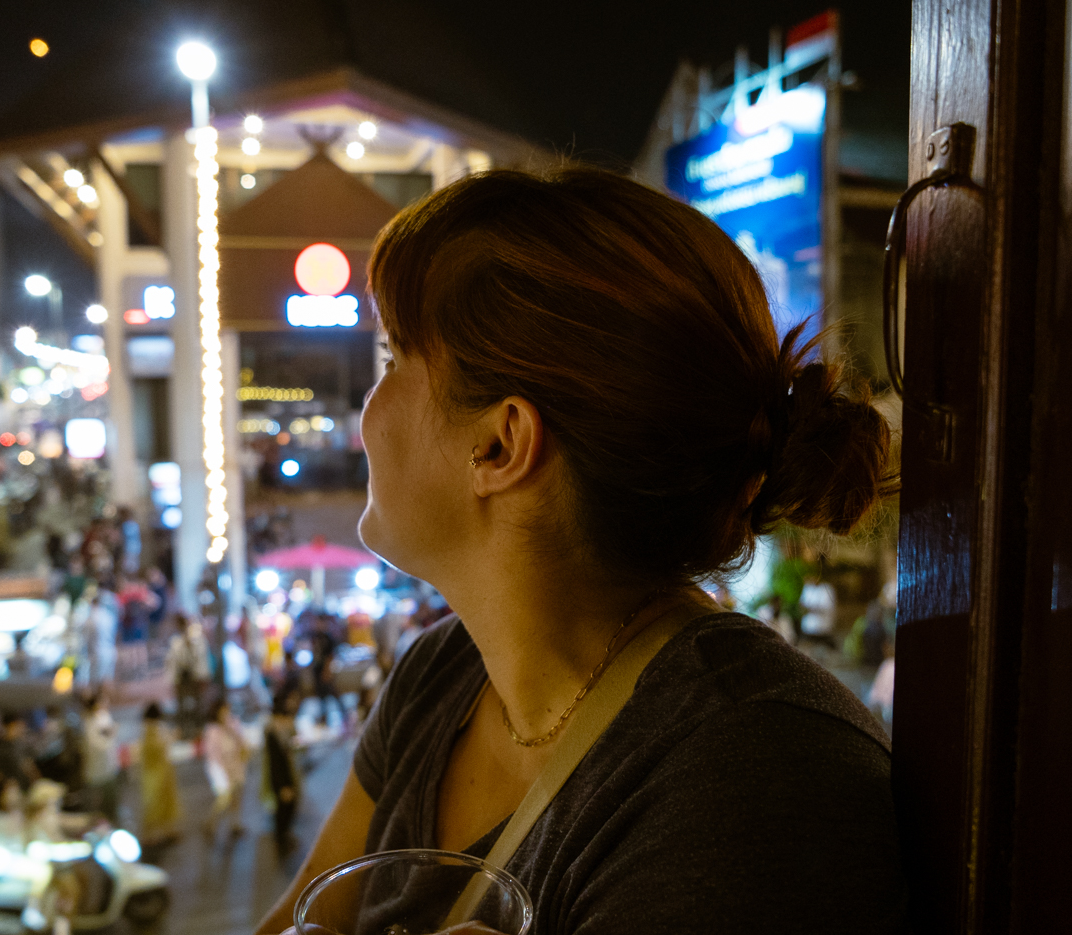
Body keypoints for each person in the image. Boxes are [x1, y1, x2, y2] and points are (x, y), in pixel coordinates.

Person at [253, 169, 902, 934]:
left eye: (394, 361)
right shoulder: (442, 673)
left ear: (500, 443)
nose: (367, 411)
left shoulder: (755, 776)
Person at [261, 688, 302, 853]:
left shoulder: (282, 723)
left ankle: (284, 835)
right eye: (290, 700)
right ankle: (281, 840)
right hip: (281, 777)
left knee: (289, 806)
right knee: (283, 808)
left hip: (288, 773)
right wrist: (283, 784)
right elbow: (276, 761)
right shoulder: (273, 728)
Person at [202, 700, 248, 838]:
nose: (226, 714)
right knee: (224, 798)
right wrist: (221, 772)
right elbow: (212, 755)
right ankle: (211, 822)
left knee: (236, 797)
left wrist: (232, 731)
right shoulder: (212, 730)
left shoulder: (233, 724)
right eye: (224, 711)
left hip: (236, 765)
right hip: (220, 769)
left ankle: (235, 824)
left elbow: (242, 743)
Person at [137, 703, 180, 845]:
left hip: (161, 770)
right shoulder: (150, 729)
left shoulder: (152, 728)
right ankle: (148, 836)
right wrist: (171, 738)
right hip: (156, 772)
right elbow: (156, 748)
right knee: (154, 803)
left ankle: (166, 831)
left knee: (165, 802)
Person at [81, 694, 120, 821]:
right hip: (100, 771)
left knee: (110, 802)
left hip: (108, 768)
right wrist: (111, 734)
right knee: (102, 805)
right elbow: (99, 745)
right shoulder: (92, 722)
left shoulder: (101, 718)